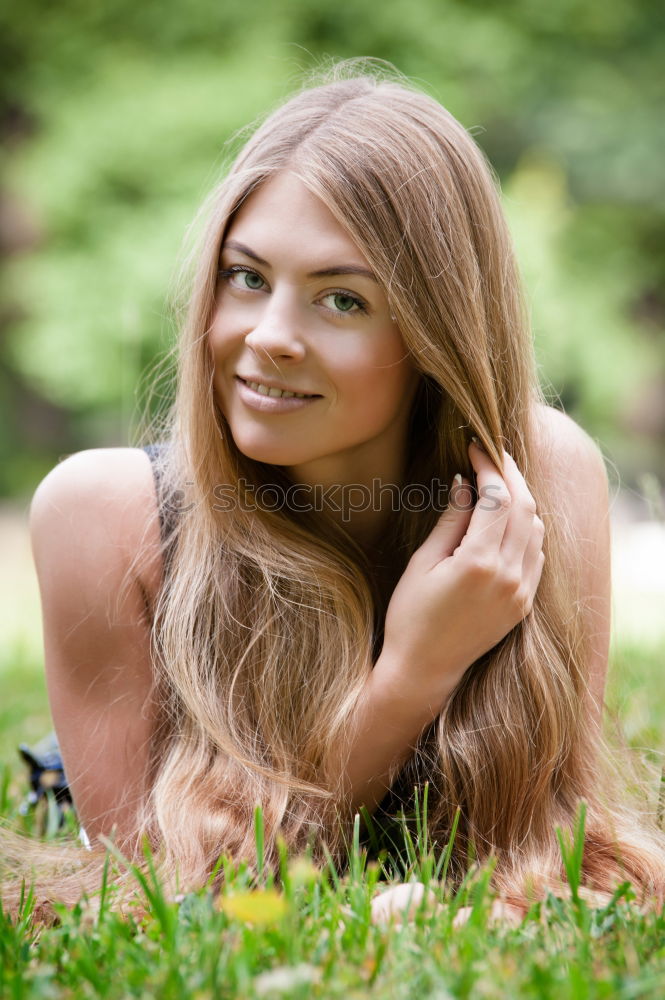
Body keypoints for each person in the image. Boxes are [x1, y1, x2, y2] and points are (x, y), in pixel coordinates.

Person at [2, 60, 664, 924]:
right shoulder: (104, 514)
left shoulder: (543, 478)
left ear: (436, 334)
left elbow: (555, 843)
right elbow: (162, 905)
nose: (268, 337)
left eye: (341, 299)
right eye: (246, 278)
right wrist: (414, 673)